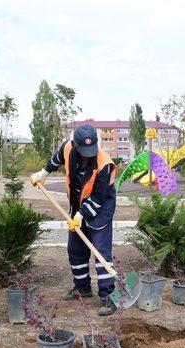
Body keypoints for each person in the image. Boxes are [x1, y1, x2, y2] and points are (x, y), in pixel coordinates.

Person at [30, 124, 117, 316]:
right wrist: (43, 173)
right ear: (76, 145)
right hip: (78, 205)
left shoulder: (104, 164)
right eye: (84, 151)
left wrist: (81, 215)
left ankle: (108, 296)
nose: (88, 155)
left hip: (100, 208)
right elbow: (56, 159)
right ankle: (82, 287)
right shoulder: (68, 148)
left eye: (91, 150)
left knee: (101, 251)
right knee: (75, 249)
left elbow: (98, 198)